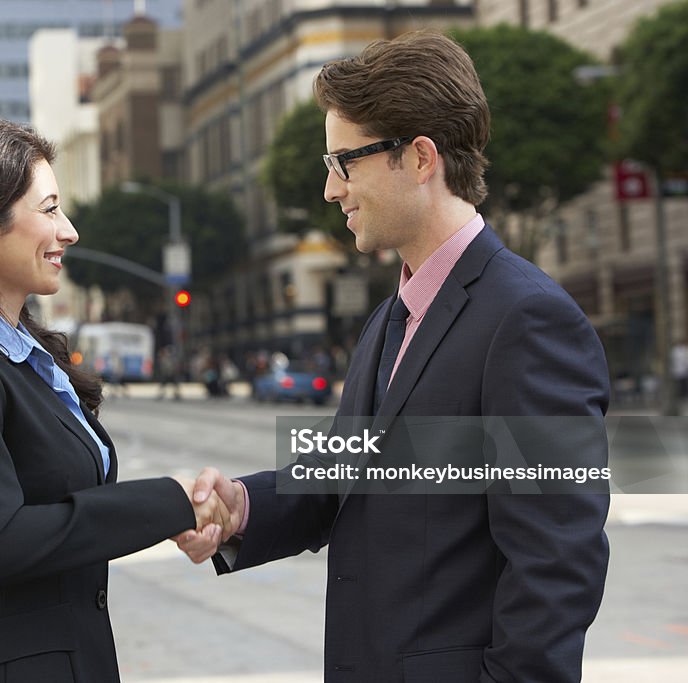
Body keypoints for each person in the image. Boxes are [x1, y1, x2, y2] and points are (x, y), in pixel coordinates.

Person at [178, 31, 610, 682]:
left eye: (343, 161)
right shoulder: (390, 319)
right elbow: (347, 475)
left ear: (420, 158)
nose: (330, 188)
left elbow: (556, 568)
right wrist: (241, 504)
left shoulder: (529, 321)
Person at [0, 118, 231, 682]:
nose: (70, 231)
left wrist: (171, 514)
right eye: (50, 209)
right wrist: (167, 502)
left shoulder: (26, 356)